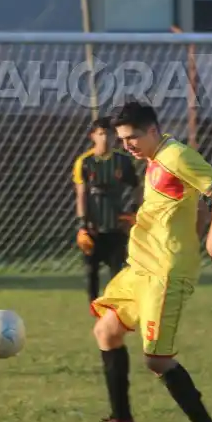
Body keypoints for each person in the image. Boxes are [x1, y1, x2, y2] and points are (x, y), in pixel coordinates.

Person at [84, 101, 212, 422]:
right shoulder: (155, 158)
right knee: (106, 331)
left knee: (156, 359)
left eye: (133, 137)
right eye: (123, 139)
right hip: (140, 268)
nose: (127, 145)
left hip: (165, 274)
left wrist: (211, 243)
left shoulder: (177, 156)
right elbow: (196, 206)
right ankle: (121, 420)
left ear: (154, 130)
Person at [73, 118, 141, 303]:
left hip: (117, 222)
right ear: (92, 136)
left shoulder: (122, 161)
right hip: (93, 224)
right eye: (101, 134)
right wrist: (82, 224)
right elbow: (81, 193)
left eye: (109, 134)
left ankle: (115, 305)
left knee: (117, 269)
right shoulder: (84, 162)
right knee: (91, 269)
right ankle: (93, 304)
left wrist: (134, 211)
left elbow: (136, 187)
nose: (105, 138)